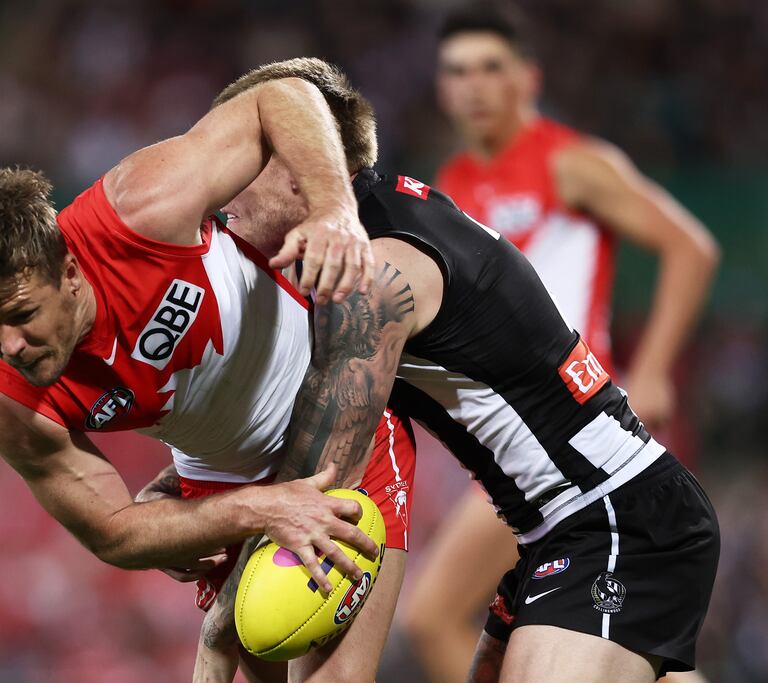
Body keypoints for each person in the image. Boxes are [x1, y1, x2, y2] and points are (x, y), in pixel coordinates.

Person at [190, 58, 718, 683]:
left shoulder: (375, 276)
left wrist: (212, 574)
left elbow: (328, 472)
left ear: (301, 168)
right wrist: (188, 480)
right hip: (562, 527)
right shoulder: (377, 227)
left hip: (613, 518)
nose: (220, 186)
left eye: (242, 160)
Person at [0, 77, 419, 683]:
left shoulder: (139, 210)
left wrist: (333, 209)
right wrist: (256, 509)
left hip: (339, 424)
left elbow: (281, 97)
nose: (10, 346)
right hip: (221, 487)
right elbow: (112, 532)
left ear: (71, 272)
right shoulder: (5, 400)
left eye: (23, 314)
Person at [402, 6, 721, 683]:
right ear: (440, 87)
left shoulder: (571, 163)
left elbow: (690, 248)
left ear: (528, 78)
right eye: (458, 71)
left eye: (492, 68)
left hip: (576, 425)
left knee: (430, 615)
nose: (475, 86)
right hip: (522, 436)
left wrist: (657, 368)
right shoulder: (450, 186)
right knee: (637, 638)